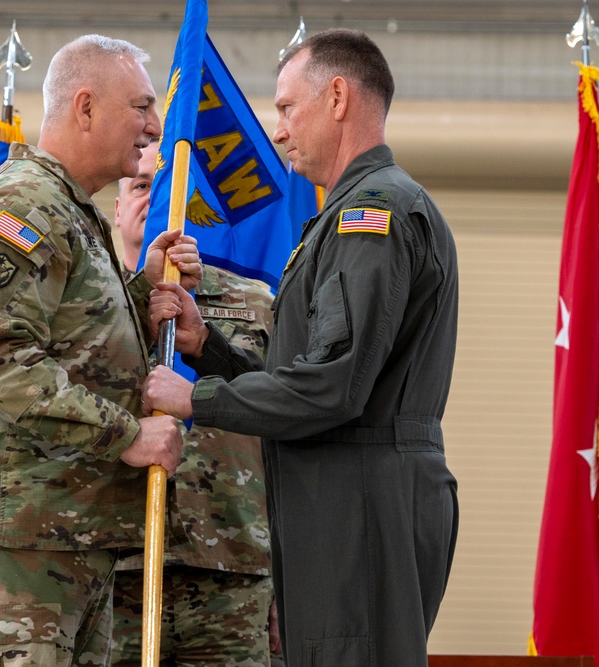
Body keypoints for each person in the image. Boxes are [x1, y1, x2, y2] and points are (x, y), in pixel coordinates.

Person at [143, 29, 460, 667]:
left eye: (287, 108)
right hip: (342, 495)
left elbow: (334, 385)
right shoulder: (350, 213)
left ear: (337, 96)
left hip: (360, 500)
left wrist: (195, 396)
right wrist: (210, 351)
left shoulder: (369, 214)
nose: (278, 129)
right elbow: (314, 372)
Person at [0, 35, 202, 667]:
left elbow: (72, 340)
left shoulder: (73, 211)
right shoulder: (23, 203)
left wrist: (139, 287)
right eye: (141, 108)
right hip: (18, 540)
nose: (155, 127)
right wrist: (126, 434)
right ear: (85, 107)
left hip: (66, 534)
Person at [111, 142, 278, 666]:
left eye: (168, 189)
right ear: (116, 208)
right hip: (112, 567)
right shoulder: (90, 304)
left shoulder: (257, 302)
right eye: (140, 186)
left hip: (231, 569)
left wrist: (288, 578)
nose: (155, 200)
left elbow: (287, 427)